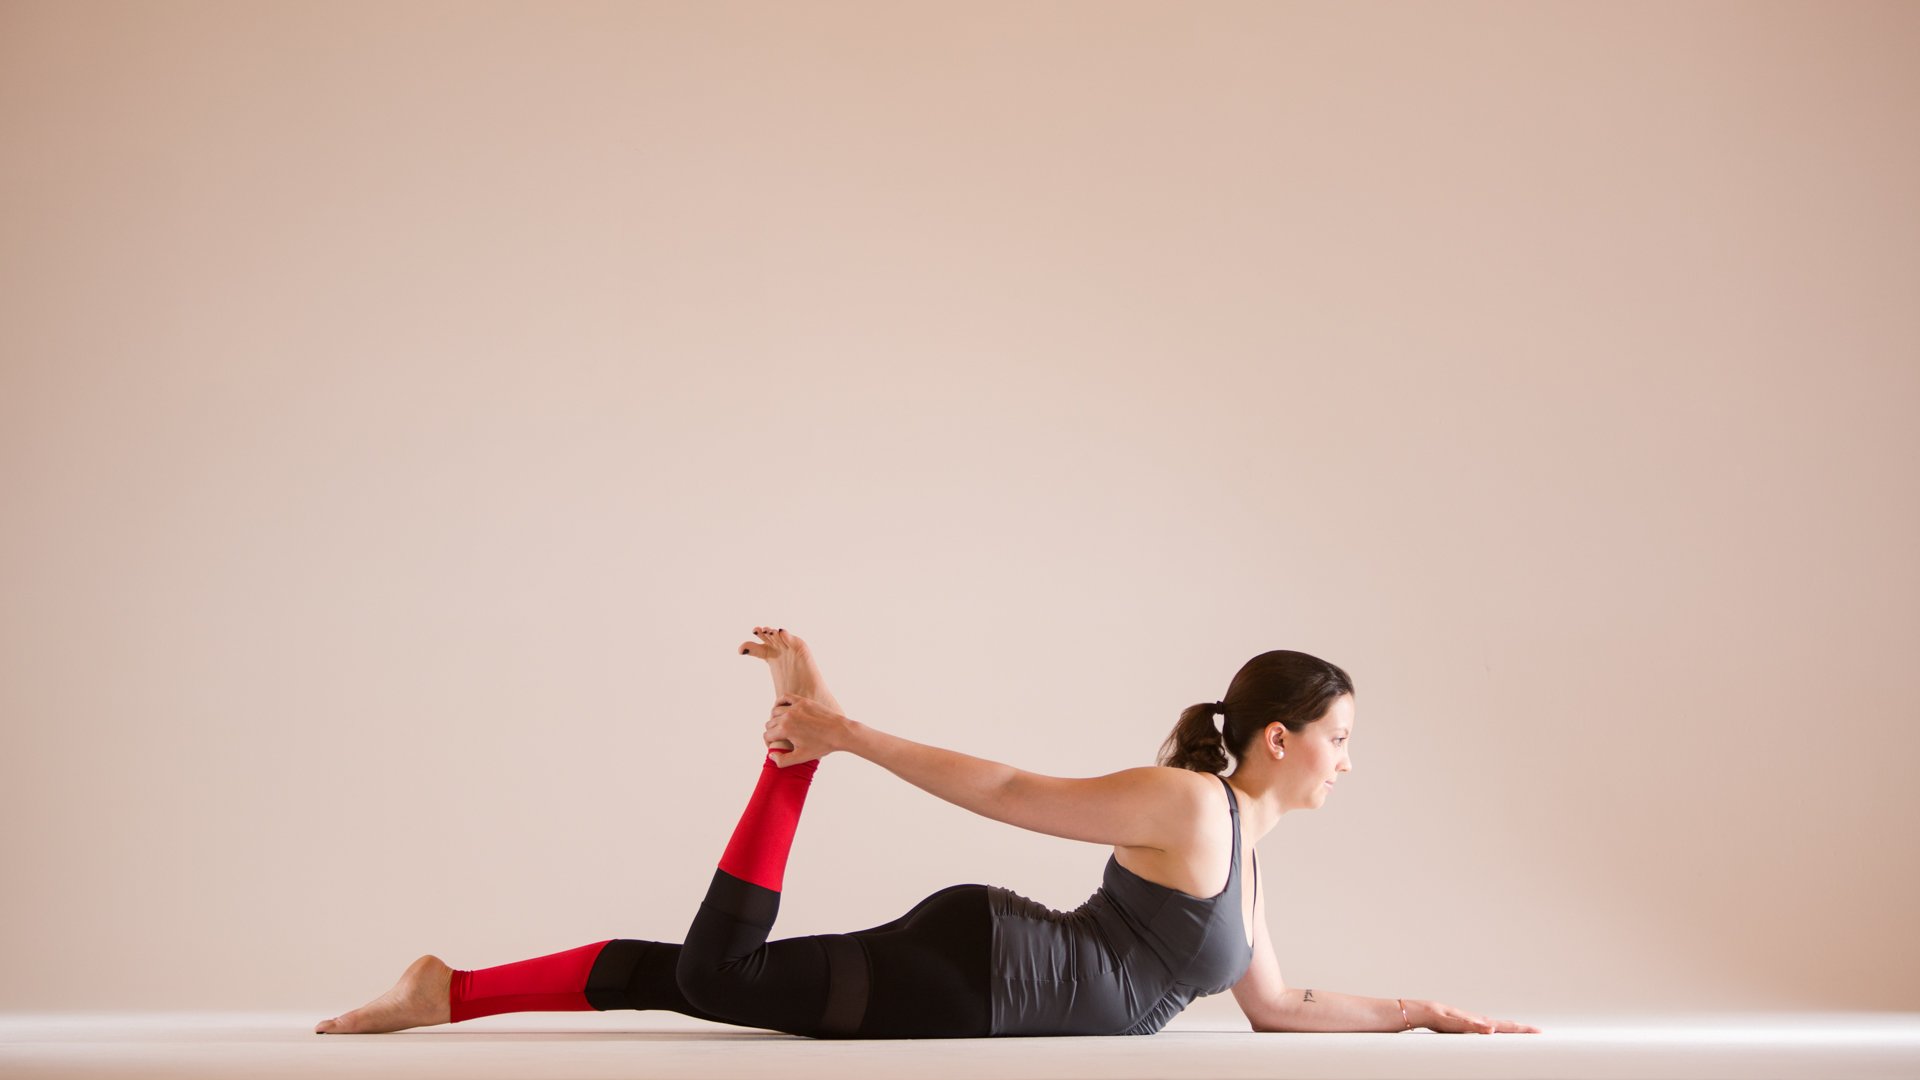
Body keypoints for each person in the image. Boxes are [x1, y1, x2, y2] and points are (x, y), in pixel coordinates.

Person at [315, 627, 1539, 1038]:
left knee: (697, 987)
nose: (1348, 760)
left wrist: (1420, 1012)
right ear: (1278, 736)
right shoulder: (1189, 807)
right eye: (1340, 737)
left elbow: (1279, 1009)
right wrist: (849, 735)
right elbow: (1010, 791)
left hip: (984, 977)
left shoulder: (1245, 858)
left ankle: (450, 991)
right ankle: (792, 751)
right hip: (981, 974)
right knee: (713, 977)